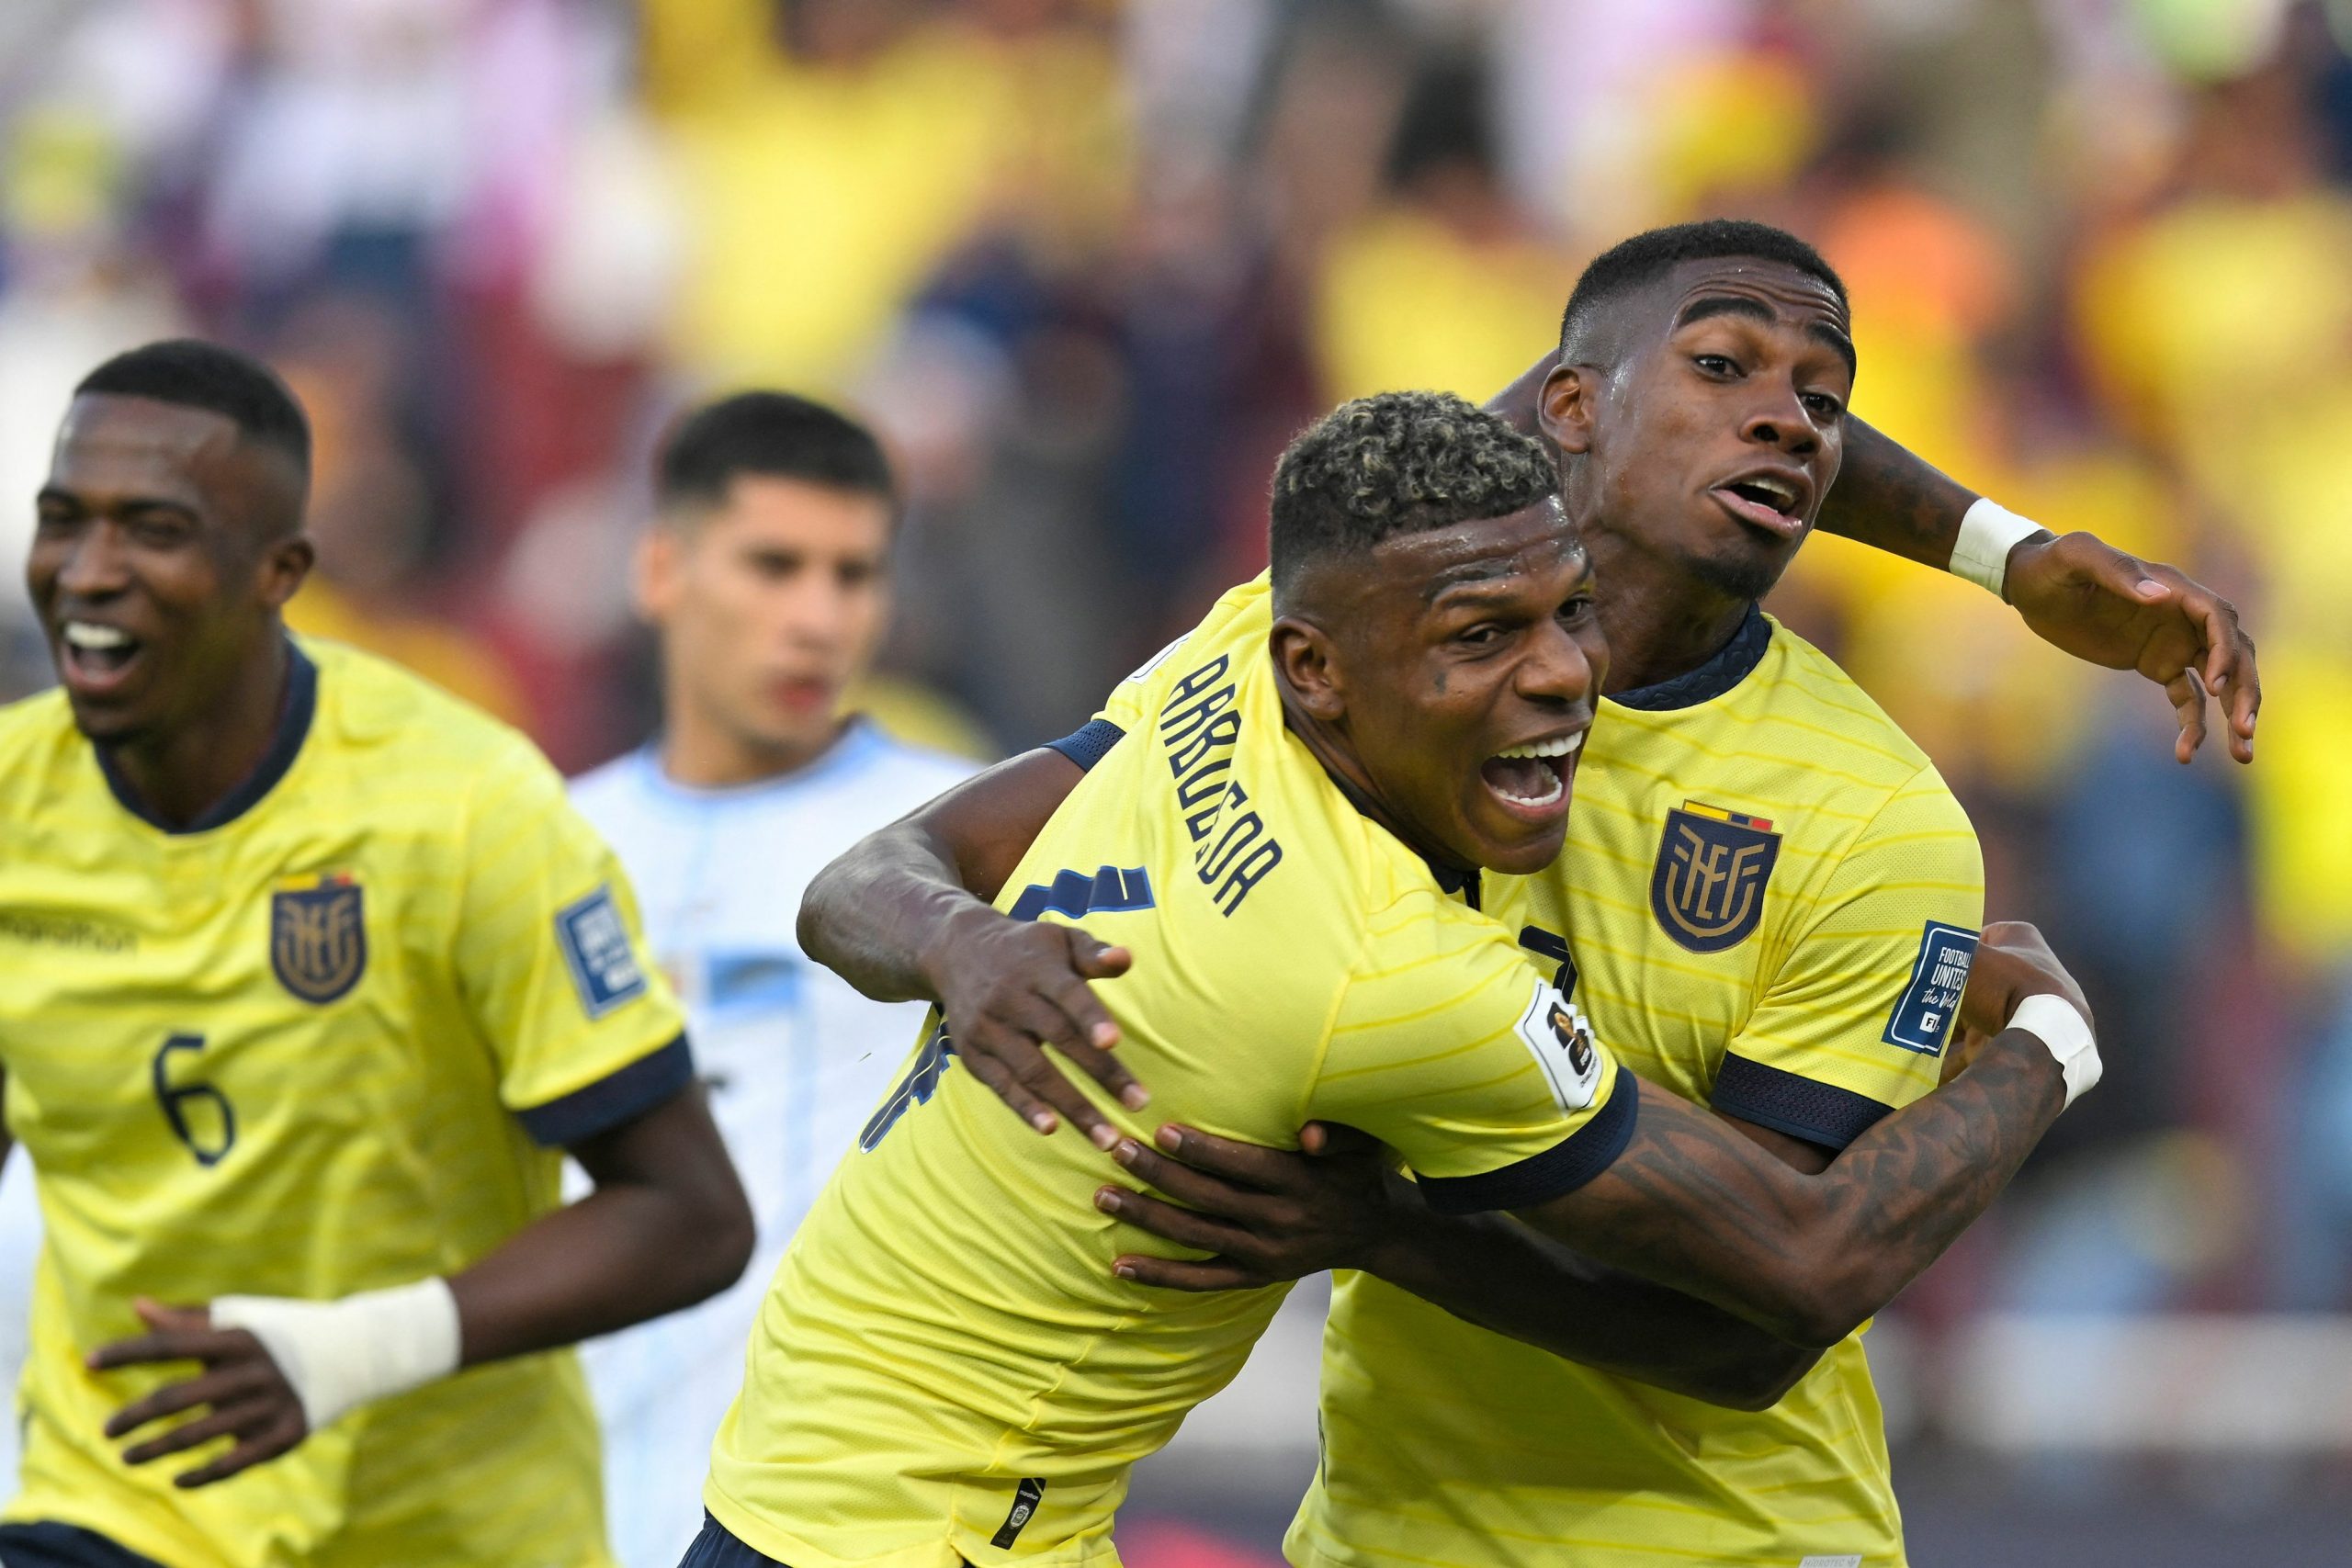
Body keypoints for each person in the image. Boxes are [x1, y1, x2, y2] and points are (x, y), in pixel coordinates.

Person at [791, 222, 2260, 1568]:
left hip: (1714, 1539)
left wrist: (1381, 1230)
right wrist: (962, 941)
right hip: (1383, 1526)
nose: (1789, 418)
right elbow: (878, 872)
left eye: (1826, 396)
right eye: (1724, 367)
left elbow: (1761, 1321)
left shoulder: (1871, 817)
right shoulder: (1296, 658)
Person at [0, 340, 754, 1568]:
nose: (89, 572)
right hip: (124, 1504)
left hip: (444, 1531)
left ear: (275, 572)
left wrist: (351, 1348)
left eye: (152, 530)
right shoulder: (10, 803)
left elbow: (690, 1213)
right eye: (61, 521)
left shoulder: (464, 808)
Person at [567, 391, 976, 1568]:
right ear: (659, 570)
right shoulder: (540, 844)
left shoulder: (970, 839)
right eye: (774, 566)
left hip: (833, 1524)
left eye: (854, 576)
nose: (818, 619)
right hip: (557, 1510)